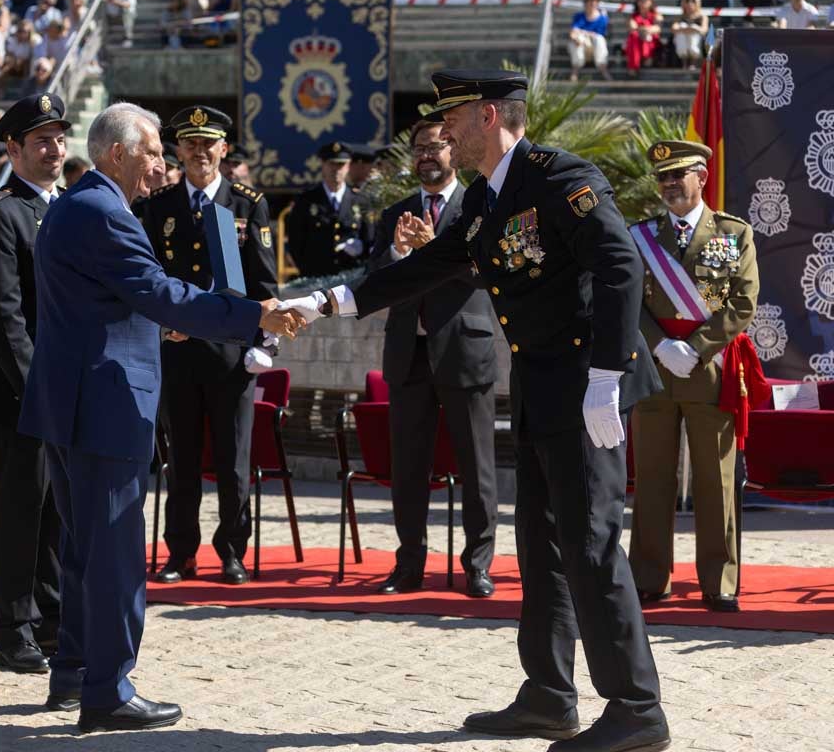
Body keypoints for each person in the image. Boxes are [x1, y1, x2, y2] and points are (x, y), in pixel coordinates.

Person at [282, 70, 670, 752]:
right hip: (543, 391)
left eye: (452, 120)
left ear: (489, 117)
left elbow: (619, 265)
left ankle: (637, 709)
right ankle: (550, 693)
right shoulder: (487, 200)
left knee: (590, 545)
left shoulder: (555, 176)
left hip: (587, 391)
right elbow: (425, 267)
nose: (441, 135)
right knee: (544, 549)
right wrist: (324, 303)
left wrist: (608, 376)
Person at [17, 102, 302, 732]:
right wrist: (256, 314)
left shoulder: (77, 202)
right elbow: (159, 290)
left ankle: (74, 674)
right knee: (114, 552)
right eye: (152, 152)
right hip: (106, 403)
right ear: (116, 153)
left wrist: (153, 324)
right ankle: (109, 689)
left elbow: (110, 301)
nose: (162, 165)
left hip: (73, 400)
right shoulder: (104, 211)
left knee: (81, 547)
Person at [136, 106, 278, 586]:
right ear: (178, 149)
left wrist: (266, 342)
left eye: (208, 143)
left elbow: (263, 280)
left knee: (232, 460)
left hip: (232, 354)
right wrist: (159, 326)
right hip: (178, 351)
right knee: (182, 460)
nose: (199, 152)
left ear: (224, 148)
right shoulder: (159, 205)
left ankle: (232, 551)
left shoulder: (246, 203)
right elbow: (148, 276)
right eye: (190, 143)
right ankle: (181, 552)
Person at [367, 114, 499, 599]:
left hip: (465, 351)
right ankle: (408, 565)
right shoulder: (395, 213)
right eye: (419, 147)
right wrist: (400, 256)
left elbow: (491, 272)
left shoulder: (482, 205)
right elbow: (374, 282)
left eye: (437, 146)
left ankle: (478, 565)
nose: (427, 154)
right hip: (409, 353)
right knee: (408, 468)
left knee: (477, 468)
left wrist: (437, 247)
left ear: (455, 152)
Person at [0, 93, 70, 675]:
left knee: (56, 507)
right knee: (20, 506)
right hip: (18, 393)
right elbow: (4, 318)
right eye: (41, 142)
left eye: (58, 139)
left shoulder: (66, 208)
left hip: (64, 386)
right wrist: (39, 389)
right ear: (13, 149)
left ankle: (51, 614)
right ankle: (12, 625)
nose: (53, 150)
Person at [629, 140, 759, 614]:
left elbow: (743, 302)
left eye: (677, 175)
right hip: (655, 372)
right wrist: (661, 345)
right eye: (661, 177)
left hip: (709, 372)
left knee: (715, 481)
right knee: (652, 479)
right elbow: (627, 300)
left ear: (702, 177)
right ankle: (648, 577)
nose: (668, 185)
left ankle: (719, 582)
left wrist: (697, 348)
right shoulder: (639, 236)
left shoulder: (733, 233)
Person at [285, 141, 373, 278]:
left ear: (348, 166)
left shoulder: (361, 201)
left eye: (341, 164)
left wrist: (361, 248)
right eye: (331, 163)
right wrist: (307, 271)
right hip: (316, 278)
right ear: (323, 165)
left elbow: (370, 238)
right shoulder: (306, 200)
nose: (336, 169)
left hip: (352, 277)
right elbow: (295, 242)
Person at [567, 0, 611, 81]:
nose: (593, 4)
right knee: (577, 38)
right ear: (585, 2)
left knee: (599, 39)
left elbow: (600, 34)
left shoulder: (603, 18)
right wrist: (576, 38)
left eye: (595, 1)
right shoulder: (579, 16)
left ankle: (602, 67)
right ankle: (576, 68)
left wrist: (583, 33)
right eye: (590, 1)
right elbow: (573, 32)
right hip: (582, 44)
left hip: (595, 46)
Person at [624, 0, 662, 78]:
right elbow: (632, 28)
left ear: (651, 1)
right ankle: (639, 63)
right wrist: (647, 29)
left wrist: (643, 29)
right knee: (634, 36)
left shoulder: (656, 15)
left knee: (643, 36)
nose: (644, 1)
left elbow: (658, 28)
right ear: (637, 1)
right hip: (638, 41)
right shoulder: (633, 16)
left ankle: (635, 66)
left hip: (652, 43)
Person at [671, 0, 708, 68]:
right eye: (687, 0)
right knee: (682, 27)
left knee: (694, 30)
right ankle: (684, 61)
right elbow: (673, 28)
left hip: (698, 42)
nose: (690, 3)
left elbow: (704, 30)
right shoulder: (679, 17)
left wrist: (694, 28)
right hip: (683, 43)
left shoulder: (702, 17)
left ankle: (693, 61)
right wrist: (686, 29)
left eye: (693, 0)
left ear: (698, 2)